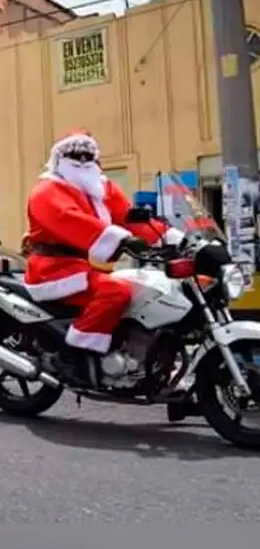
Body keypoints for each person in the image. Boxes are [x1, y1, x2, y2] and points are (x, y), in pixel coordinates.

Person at [24, 128, 183, 386]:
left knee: (148, 289)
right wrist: (121, 240)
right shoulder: (47, 190)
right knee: (115, 291)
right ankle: (72, 354)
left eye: (89, 154)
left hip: (83, 266)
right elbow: (72, 221)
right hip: (53, 269)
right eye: (75, 154)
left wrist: (174, 239)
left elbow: (130, 217)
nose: (83, 160)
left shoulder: (100, 187)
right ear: (59, 158)